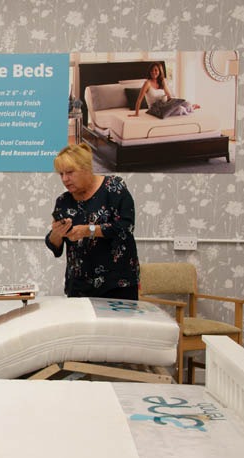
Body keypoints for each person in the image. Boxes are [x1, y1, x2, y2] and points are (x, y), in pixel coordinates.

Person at [45, 143, 139, 300]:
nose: (65, 179)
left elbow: (125, 227)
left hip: (117, 283)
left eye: (69, 172)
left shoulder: (113, 187)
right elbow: (54, 245)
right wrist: (57, 234)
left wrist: (88, 230)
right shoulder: (63, 201)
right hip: (78, 286)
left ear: (86, 168)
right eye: (61, 174)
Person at [128, 62, 199, 117]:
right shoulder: (147, 83)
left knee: (188, 103)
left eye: (156, 70)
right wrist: (136, 114)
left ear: (160, 71)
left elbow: (169, 96)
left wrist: (174, 103)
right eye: (151, 70)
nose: (153, 72)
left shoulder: (162, 81)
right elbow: (139, 99)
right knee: (180, 109)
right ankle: (188, 111)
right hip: (155, 108)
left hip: (165, 104)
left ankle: (190, 108)